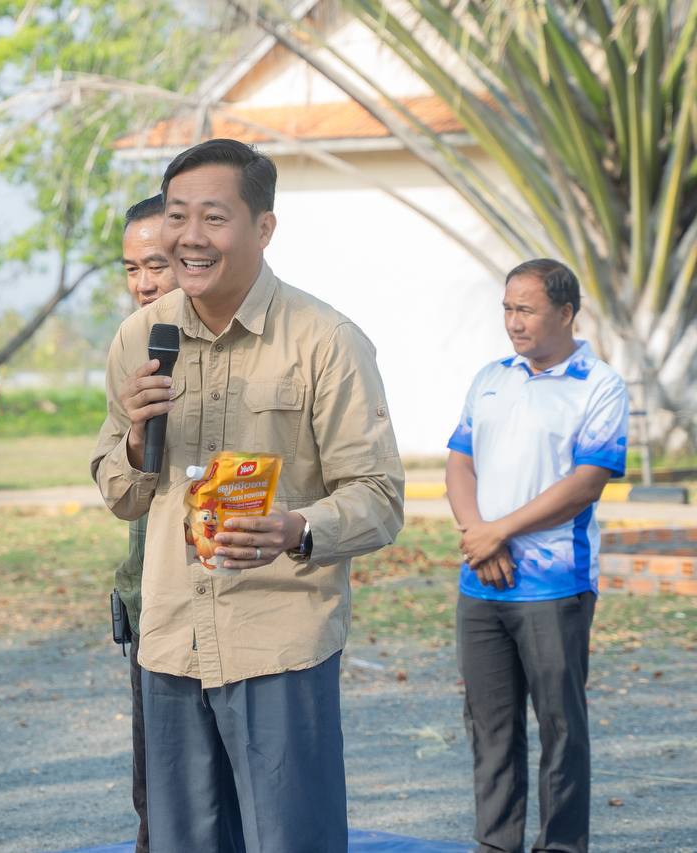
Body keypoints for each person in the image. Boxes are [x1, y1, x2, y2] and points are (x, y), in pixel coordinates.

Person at [91, 138, 404, 853]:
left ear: (263, 228)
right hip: (170, 641)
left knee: (291, 840)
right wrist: (136, 439)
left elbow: (380, 496)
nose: (189, 237)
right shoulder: (141, 336)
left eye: (214, 217)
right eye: (177, 216)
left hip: (277, 642)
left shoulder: (325, 340)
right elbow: (120, 492)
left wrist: (296, 528)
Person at [446, 259, 628, 853]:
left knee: (560, 728)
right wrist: (478, 535)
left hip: (555, 587)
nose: (513, 322)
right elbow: (460, 462)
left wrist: (498, 532)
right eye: (507, 308)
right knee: (490, 728)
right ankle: (496, 844)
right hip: (481, 585)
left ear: (566, 312)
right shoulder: (490, 378)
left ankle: (561, 846)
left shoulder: (599, 384)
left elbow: (586, 483)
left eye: (525, 310)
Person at [114, 192, 177, 853]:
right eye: (132, 268)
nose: (143, 283)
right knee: (157, 800)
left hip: (236, 608)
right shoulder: (136, 348)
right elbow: (114, 480)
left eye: (156, 265)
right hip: (150, 608)